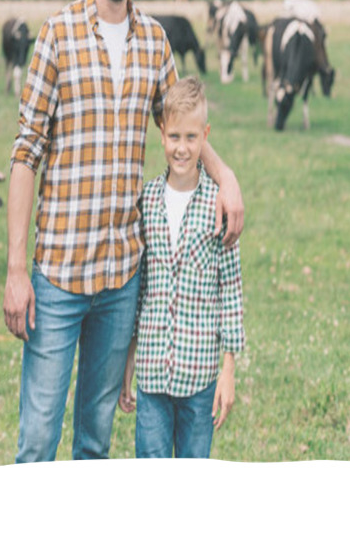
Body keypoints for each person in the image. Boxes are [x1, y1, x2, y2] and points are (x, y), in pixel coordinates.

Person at [2, 0, 244, 463]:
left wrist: (225, 175)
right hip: (57, 278)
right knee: (37, 442)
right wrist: (17, 270)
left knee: (94, 444)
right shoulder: (57, 35)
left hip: (119, 281)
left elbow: (183, 126)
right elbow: (24, 155)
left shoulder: (156, 42)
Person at [118, 76, 245, 458]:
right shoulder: (148, 200)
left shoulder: (217, 205)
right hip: (152, 374)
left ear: (205, 135)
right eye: (174, 137)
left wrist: (228, 370)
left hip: (201, 375)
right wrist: (129, 361)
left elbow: (231, 291)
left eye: (192, 138)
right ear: (162, 134)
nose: (182, 148)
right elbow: (139, 292)